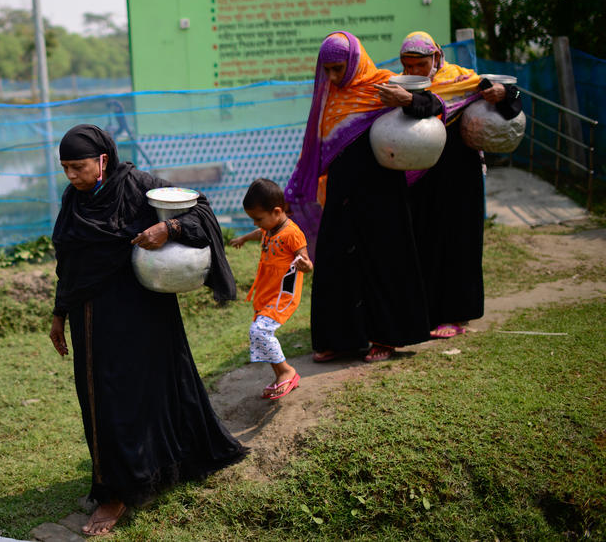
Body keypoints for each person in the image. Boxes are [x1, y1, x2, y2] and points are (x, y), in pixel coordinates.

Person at [49, 124, 246, 536]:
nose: (71, 176)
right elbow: (67, 261)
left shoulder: (138, 185)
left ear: (102, 160)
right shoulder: (74, 200)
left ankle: (161, 466)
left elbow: (199, 210)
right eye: (65, 168)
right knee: (105, 400)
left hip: (144, 311)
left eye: (78, 167)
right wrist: (59, 313)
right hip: (93, 319)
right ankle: (115, 491)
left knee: (154, 387)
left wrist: (168, 229)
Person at [284, 31, 441, 363]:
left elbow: (435, 105)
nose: (332, 77)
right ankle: (339, 340)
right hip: (342, 196)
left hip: (382, 192)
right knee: (335, 263)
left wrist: (407, 101)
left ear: (354, 62)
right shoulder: (331, 97)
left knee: (384, 261)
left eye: (338, 69)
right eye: (327, 70)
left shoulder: (383, 85)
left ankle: (387, 337)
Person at [377, 31, 522, 339]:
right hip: (420, 175)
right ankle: (427, 311)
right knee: (423, 240)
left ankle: (456, 314)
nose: (413, 72)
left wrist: (503, 94)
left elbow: (510, 105)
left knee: (459, 242)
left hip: (459, 176)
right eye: (407, 65)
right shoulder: (400, 86)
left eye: (420, 64)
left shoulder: (464, 81)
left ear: (437, 57)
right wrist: (406, 98)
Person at [230, 178, 313, 400]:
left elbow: (306, 262)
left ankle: (287, 371)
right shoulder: (269, 228)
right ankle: (281, 375)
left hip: (282, 296)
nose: (256, 224)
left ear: (277, 211)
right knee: (259, 334)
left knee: (259, 331)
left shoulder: (292, 234)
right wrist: (245, 238)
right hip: (265, 294)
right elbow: (260, 233)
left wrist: (305, 265)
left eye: (258, 219)